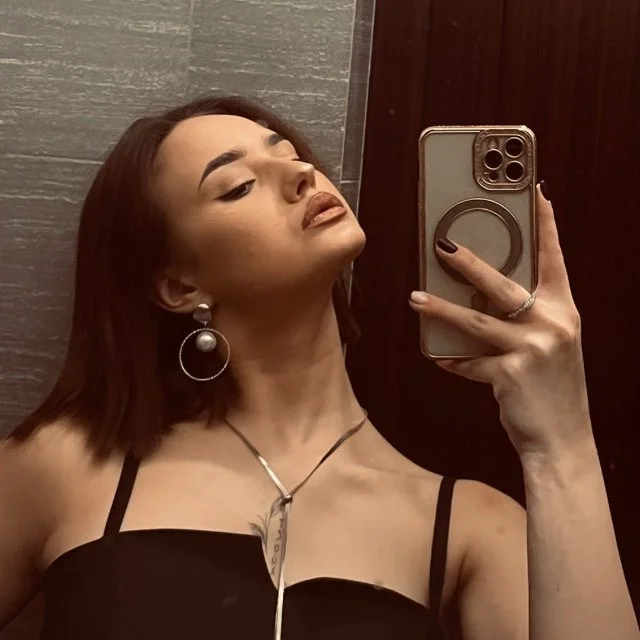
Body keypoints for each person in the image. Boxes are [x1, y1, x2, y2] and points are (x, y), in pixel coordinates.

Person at [0, 95, 637, 640]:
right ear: (178, 285)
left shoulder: (470, 527)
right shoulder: (67, 466)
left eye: (290, 154)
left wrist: (560, 443)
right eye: (238, 185)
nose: (302, 172)